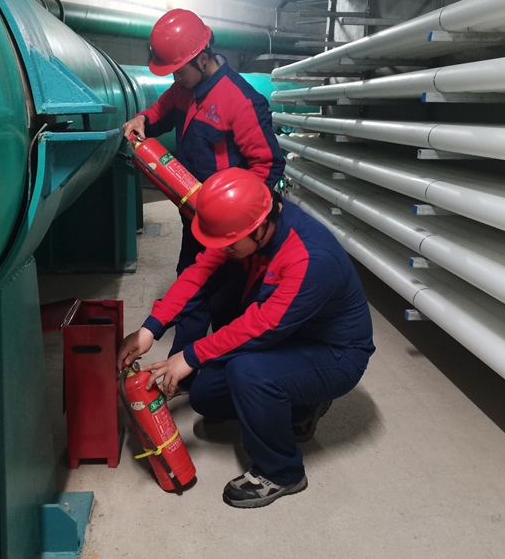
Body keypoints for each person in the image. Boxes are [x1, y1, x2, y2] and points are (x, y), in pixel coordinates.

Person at [117, 167, 375, 509]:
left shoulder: (310, 258)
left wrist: (190, 356)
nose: (222, 249)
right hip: (293, 337)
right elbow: (199, 275)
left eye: (228, 244)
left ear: (260, 228)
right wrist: (150, 328)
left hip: (335, 355)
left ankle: (282, 471)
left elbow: (261, 327)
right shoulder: (246, 226)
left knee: (248, 373)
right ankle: (301, 406)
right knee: (205, 395)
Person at [123, 9, 285, 370]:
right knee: (193, 287)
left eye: (179, 71)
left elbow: (268, 165)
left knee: (221, 299)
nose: (175, 79)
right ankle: (188, 373)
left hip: (230, 225)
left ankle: (212, 373)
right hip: (194, 213)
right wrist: (143, 119)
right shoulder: (186, 88)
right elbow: (164, 108)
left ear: (202, 58)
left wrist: (238, 217)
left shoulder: (240, 100)